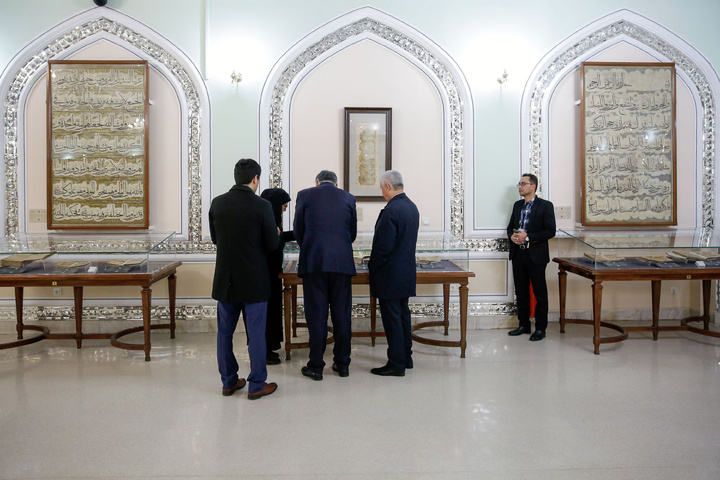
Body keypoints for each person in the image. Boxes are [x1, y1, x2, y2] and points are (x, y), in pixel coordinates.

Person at [209, 158, 279, 400]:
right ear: (255, 178)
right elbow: (271, 245)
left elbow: (216, 239)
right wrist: (276, 234)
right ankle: (257, 384)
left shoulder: (218, 203)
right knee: (257, 334)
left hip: (225, 280)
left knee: (224, 333)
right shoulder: (262, 206)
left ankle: (228, 382)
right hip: (254, 280)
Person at [293, 170, 357, 380]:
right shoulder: (348, 197)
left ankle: (316, 366)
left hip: (314, 263)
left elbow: (298, 230)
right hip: (342, 264)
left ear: (317, 182)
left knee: (316, 316)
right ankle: (343, 364)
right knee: (342, 315)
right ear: (336, 185)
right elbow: (352, 233)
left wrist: (311, 247)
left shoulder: (304, 195)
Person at [368, 170, 419, 377]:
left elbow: (383, 248)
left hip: (389, 275)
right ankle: (406, 357)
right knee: (403, 317)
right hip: (405, 273)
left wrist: (372, 266)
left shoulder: (392, 210)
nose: (382, 193)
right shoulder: (411, 207)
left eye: (382, 189)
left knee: (393, 321)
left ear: (388, 186)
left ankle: (396, 364)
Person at [506, 173, 556, 342]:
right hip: (518, 254)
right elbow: (510, 227)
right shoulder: (517, 205)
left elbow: (550, 231)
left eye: (523, 184)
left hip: (536, 255)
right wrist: (511, 237)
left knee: (539, 292)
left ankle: (541, 328)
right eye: (519, 184)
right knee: (521, 291)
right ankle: (524, 324)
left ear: (533, 186)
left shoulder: (545, 206)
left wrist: (527, 236)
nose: (520, 186)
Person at [259, 188, 294, 365]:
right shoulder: (265, 221)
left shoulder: (269, 220)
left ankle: (270, 348)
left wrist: (297, 233)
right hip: (264, 275)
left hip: (272, 274)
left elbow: (278, 239)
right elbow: (272, 243)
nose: (284, 210)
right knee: (266, 312)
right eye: (283, 206)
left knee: (272, 310)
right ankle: (263, 351)